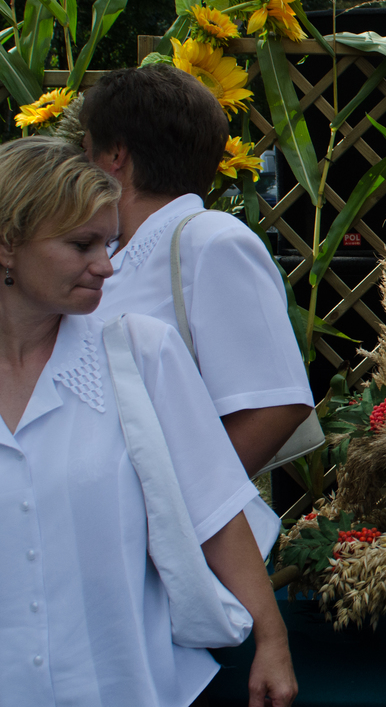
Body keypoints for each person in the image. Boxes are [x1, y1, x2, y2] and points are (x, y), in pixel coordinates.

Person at [0, 138, 296, 706]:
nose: (107, 266)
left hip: (124, 684)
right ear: (8, 244)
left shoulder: (139, 354)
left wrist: (272, 638)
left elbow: (213, 508)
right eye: (82, 244)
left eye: (109, 243)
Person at [80, 65, 312, 480]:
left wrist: (170, 510)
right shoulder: (114, 249)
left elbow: (275, 406)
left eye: (86, 152)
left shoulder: (211, 241)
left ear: (116, 154)